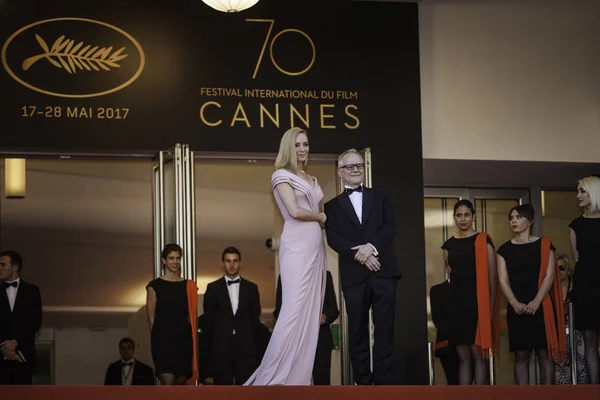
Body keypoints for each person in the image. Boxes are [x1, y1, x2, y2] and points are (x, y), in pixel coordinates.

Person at [244, 127, 327, 385]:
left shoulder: (311, 177)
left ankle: (297, 379)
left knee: (310, 313)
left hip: (316, 249)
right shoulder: (281, 175)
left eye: (306, 144)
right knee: (293, 309)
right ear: (288, 148)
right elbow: (294, 211)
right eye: (298, 145)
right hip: (296, 246)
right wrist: (322, 217)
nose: (303, 149)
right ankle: (270, 378)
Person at [324, 149, 401, 385]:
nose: (356, 169)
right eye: (350, 166)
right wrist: (362, 255)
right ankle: (363, 385)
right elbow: (334, 239)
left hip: (384, 272)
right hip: (354, 277)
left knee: (384, 331)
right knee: (357, 333)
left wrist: (371, 247)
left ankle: (383, 385)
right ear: (340, 172)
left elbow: (391, 226)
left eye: (359, 165)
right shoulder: (331, 206)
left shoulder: (381, 196)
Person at [496, 204, 566, 385]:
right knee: (521, 355)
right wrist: (514, 303)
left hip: (542, 306)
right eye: (511, 218)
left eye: (518, 217)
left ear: (530, 221)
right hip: (516, 307)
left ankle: (548, 397)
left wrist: (536, 301)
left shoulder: (545, 244)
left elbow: (550, 275)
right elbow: (503, 280)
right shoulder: (504, 249)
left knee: (544, 353)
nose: (514, 221)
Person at [440, 199, 498, 385]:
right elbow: (449, 277)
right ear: (454, 218)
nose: (463, 219)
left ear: (473, 216)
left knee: (478, 354)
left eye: (466, 214)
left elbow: (493, 278)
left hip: (478, 305)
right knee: (462, 355)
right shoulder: (448, 246)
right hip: (456, 306)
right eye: (459, 215)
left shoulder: (483, 240)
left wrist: (489, 308)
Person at [203, 247, 262, 385]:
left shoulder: (252, 288)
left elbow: (255, 319)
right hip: (221, 349)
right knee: (223, 393)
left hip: (246, 349)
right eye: (228, 261)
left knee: (247, 391)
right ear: (222, 263)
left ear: (240, 263)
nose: (231, 264)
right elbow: (208, 322)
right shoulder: (212, 288)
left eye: (235, 261)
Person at [274, 270, 339, 385]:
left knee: (322, 386)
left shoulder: (325, 275)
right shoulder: (285, 275)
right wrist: (293, 319)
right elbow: (278, 311)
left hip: (321, 341)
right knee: (296, 387)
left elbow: (334, 310)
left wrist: (323, 317)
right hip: (294, 342)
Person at [146, 243, 198, 385]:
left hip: (183, 339)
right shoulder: (154, 286)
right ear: (164, 260)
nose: (175, 262)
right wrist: (158, 339)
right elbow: (151, 318)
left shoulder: (188, 285)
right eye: (171, 258)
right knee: (167, 383)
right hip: (163, 340)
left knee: (181, 384)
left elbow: (192, 316)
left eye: (178, 258)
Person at [569, 175, 600, 384]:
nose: (578, 195)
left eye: (582, 191)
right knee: (589, 339)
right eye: (578, 191)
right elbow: (577, 258)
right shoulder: (575, 225)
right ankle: (595, 388)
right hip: (585, 286)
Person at [0, 250, 42, 385]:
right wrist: (6, 348)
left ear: (15, 267)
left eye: (2, 265)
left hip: (24, 354)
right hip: (0, 355)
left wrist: (16, 342)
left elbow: (35, 322)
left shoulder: (32, 291)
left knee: (23, 395)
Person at [554, 255, 589, 384]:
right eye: (555, 268)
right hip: (558, 335)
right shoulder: (549, 290)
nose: (559, 272)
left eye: (562, 268)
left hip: (576, 332)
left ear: (568, 270)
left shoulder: (576, 288)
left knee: (582, 362)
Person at [429, 265, 460, 385]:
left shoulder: (469, 289)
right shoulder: (437, 290)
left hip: (470, 345)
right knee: (453, 382)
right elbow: (438, 319)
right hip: (447, 346)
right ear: (446, 269)